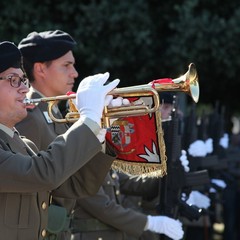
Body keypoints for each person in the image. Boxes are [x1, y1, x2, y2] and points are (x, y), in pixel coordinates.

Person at [16, 30, 184, 240]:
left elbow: (83, 176)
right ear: (40, 69)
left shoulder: (56, 113)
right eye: (66, 65)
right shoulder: (30, 117)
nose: (75, 73)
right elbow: (41, 179)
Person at [0, 40, 120, 240]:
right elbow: (42, 174)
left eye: (23, 80)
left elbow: (79, 184)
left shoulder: (22, 144)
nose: (23, 88)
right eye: (13, 80)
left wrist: (99, 129)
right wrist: (88, 120)